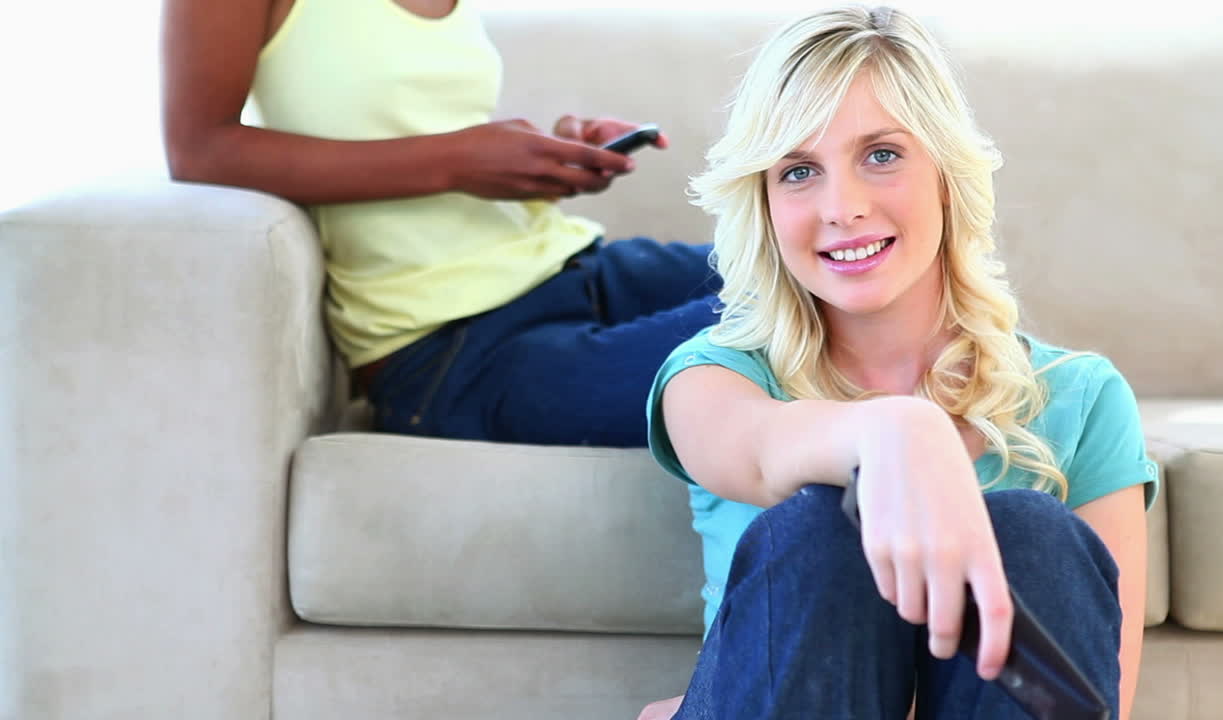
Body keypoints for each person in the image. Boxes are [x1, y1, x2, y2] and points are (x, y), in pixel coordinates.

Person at [641, 6, 1158, 719]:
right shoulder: (716, 377)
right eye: (798, 171)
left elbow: (1095, 699)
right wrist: (897, 431)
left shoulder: (1082, 397)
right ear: (763, 203)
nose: (842, 207)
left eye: (881, 155)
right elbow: (759, 450)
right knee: (824, 528)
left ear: (945, 174)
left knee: (1029, 534)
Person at [160, 0, 720, 447]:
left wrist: (546, 162)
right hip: (456, 349)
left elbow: (419, 129)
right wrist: (461, 161)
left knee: (772, 270)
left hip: (570, 268)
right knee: (771, 327)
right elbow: (199, 149)